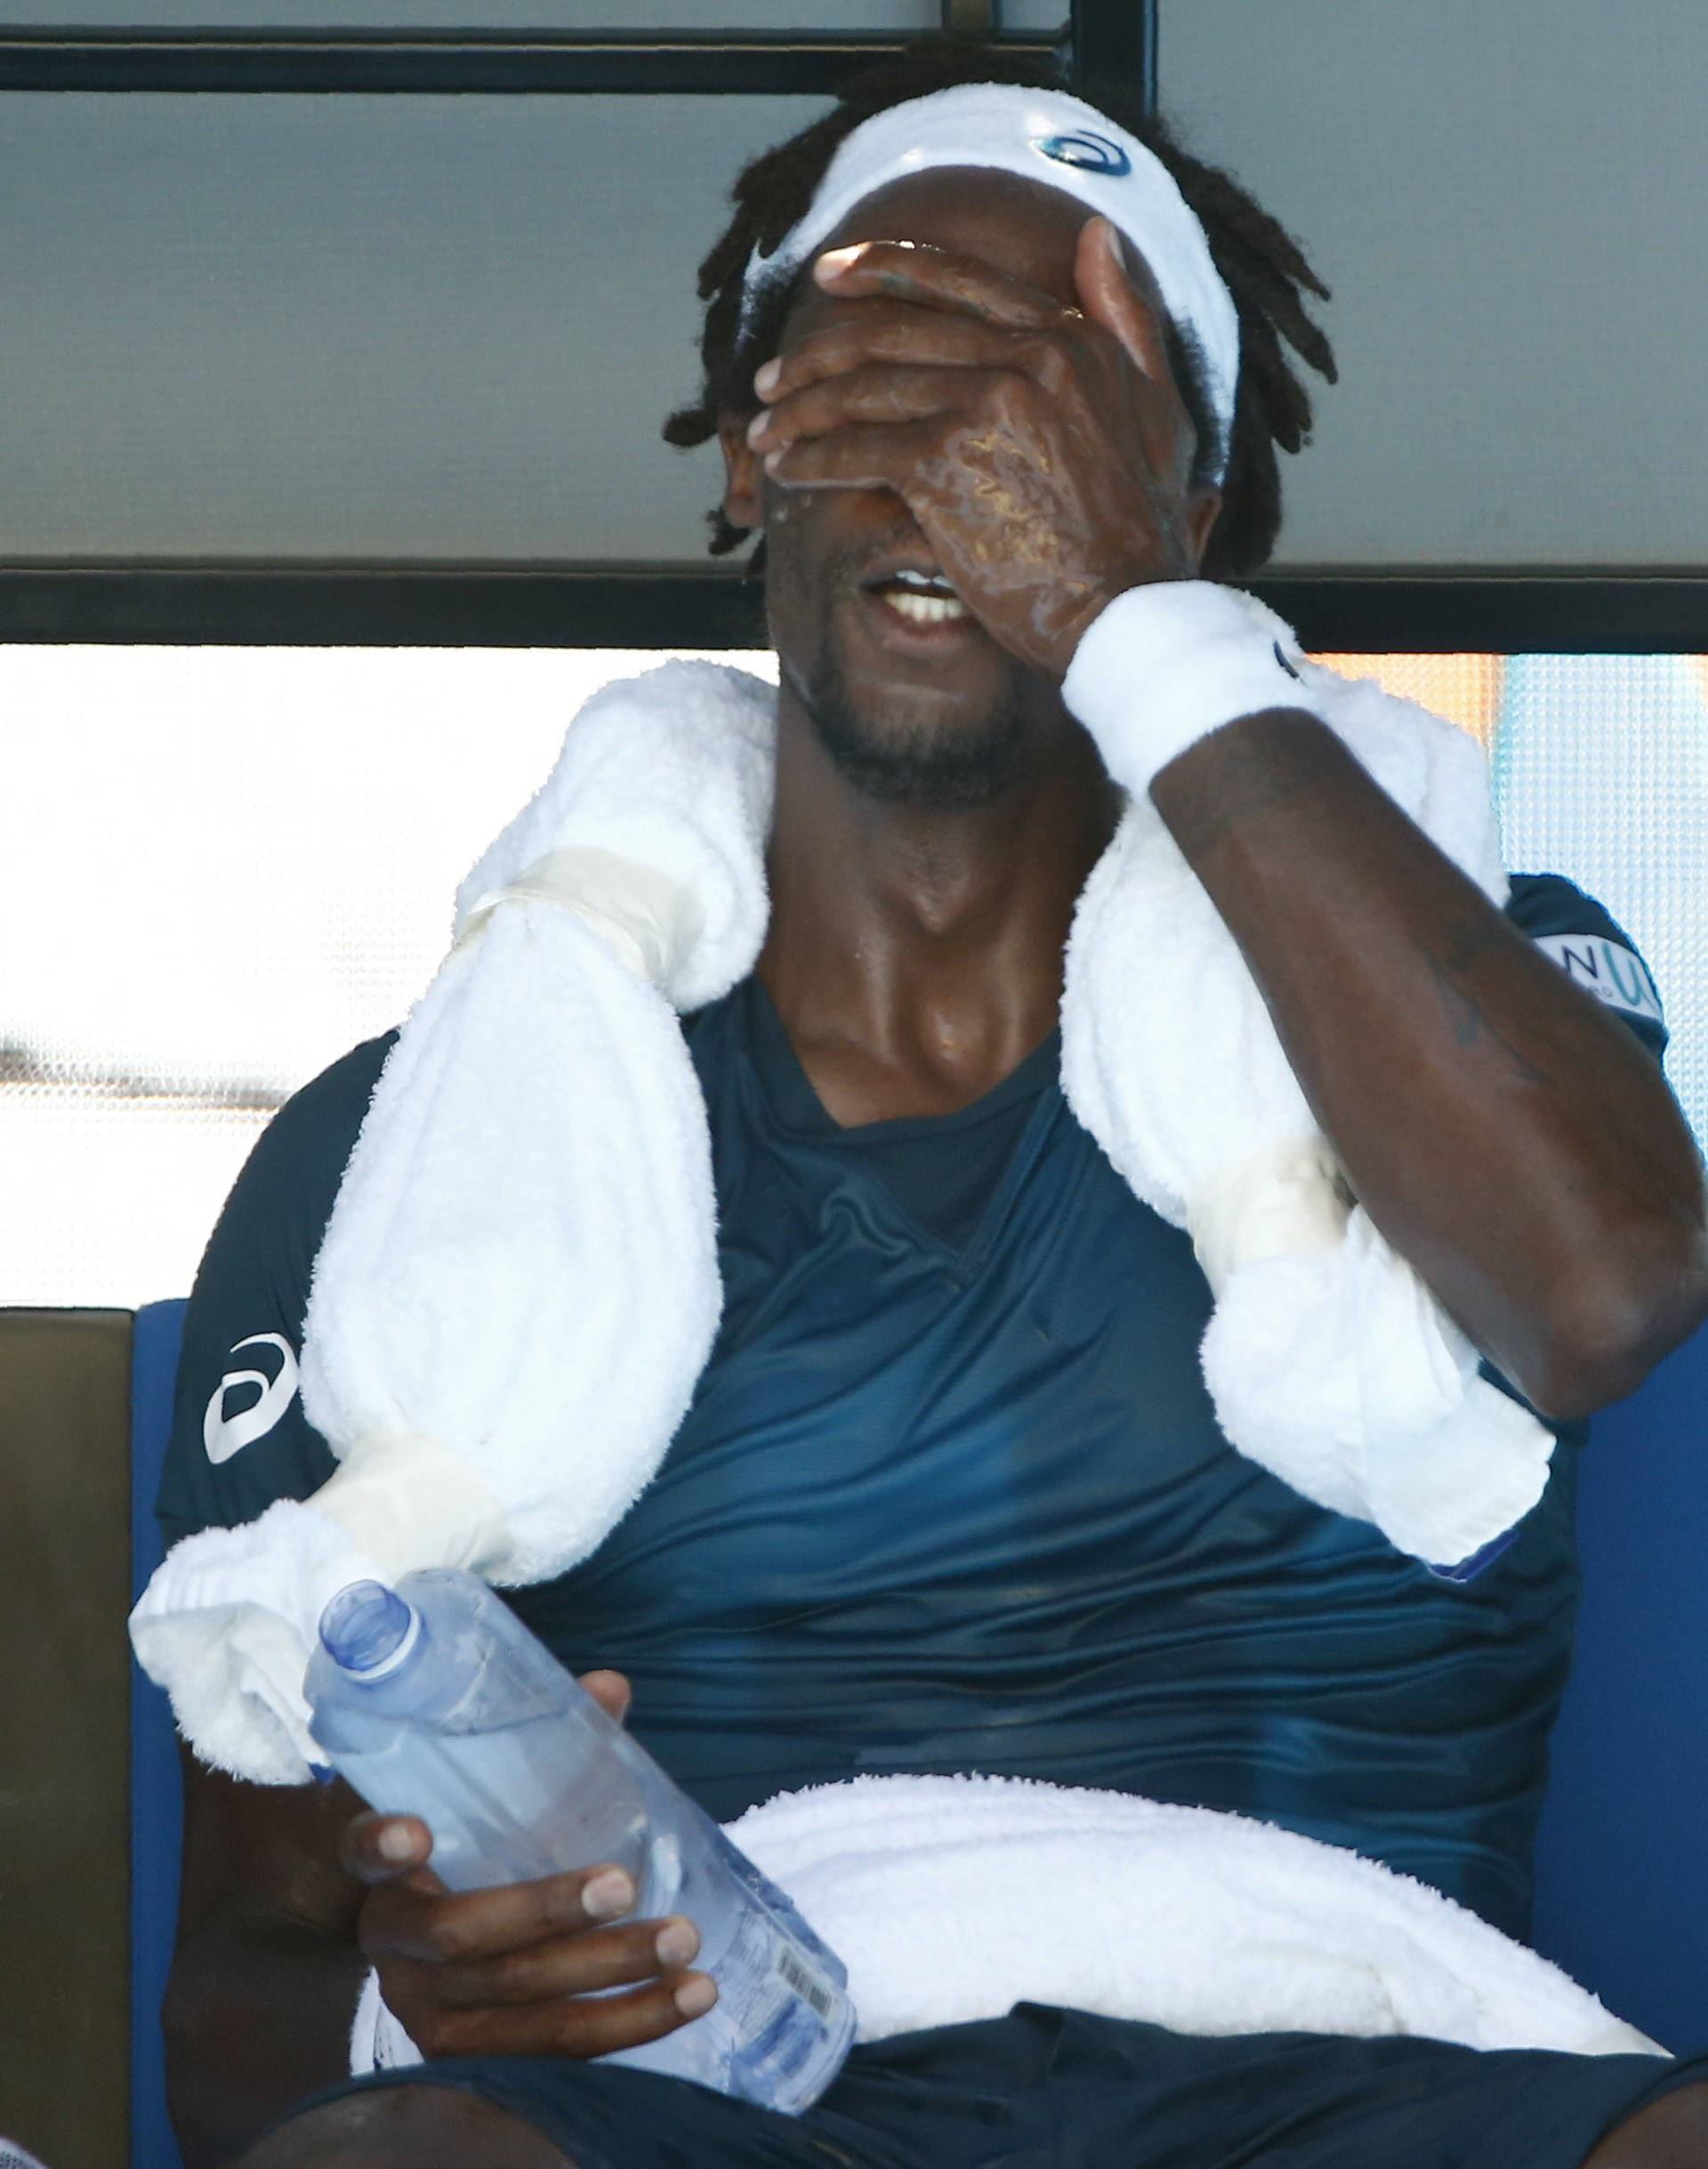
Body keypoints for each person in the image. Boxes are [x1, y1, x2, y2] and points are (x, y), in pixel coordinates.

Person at [155, 36, 1708, 2169]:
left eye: (1047, 405)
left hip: (1391, 2077)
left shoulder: (1451, 987)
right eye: (877, 366)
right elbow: (233, 1998)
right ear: (740, 458)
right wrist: (407, 1993)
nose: (954, 462)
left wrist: (1125, 629)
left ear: (1202, 510)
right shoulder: (414, 1156)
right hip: (734, 2104)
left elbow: (1602, 1287)